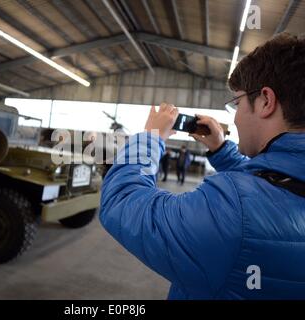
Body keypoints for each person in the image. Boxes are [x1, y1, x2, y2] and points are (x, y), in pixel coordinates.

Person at [99, 33, 305, 299]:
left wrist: (150, 138)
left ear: (266, 101)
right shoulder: (285, 184)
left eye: (238, 103)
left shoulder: (233, 210)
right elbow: (275, 182)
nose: (237, 118)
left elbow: (121, 201)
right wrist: (220, 149)